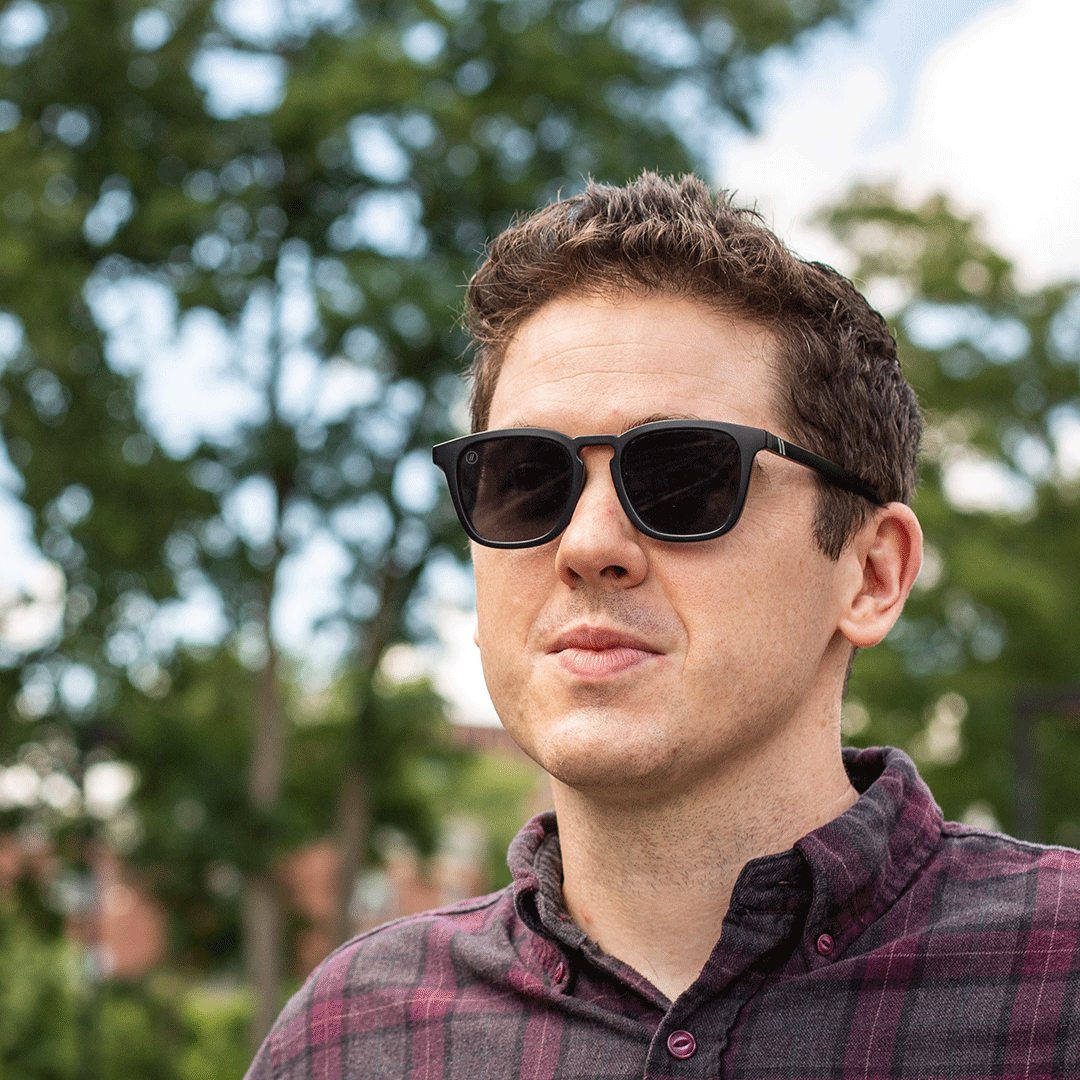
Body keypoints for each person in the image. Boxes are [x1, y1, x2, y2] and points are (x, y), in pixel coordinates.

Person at [246, 175, 1080, 1079]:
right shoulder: (345, 1042)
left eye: (684, 477)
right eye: (526, 479)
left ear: (872, 574)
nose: (588, 542)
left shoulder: (1060, 981)